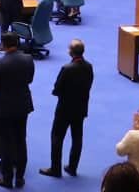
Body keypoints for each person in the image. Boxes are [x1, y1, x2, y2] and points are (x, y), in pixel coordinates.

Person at [0, 33, 35, 187]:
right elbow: (29, 80)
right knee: (21, 141)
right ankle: (20, 177)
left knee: (6, 143)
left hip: (5, 108)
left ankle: (7, 179)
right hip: (22, 106)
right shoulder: (28, 59)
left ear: (4, 45)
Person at [41, 38, 93, 178]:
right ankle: (72, 167)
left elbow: (57, 89)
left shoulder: (67, 68)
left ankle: (55, 168)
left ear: (71, 52)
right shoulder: (89, 66)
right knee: (77, 138)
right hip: (81, 108)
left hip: (64, 108)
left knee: (57, 137)